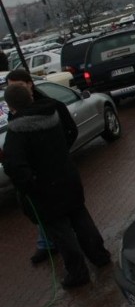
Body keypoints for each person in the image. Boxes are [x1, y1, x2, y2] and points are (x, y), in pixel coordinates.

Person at [3, 85, 111, 288]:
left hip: (45, 190)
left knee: (62, 233)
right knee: (81, 219)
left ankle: (78, 274)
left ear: (10, 106)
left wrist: (30, 185)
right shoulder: (50, 113)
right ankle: (100, 256)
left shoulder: (17, 132)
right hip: (68, 179)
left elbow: (15, 166)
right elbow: (68, 133)